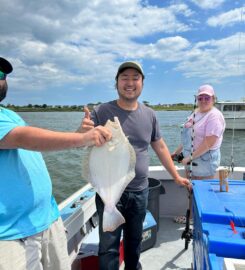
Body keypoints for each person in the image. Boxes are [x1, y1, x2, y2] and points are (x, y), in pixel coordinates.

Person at [0, 57, 112, 270]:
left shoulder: (9, 115)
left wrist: (78, 134)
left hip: (47, 220)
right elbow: (24, 138)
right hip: (10, 236)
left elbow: (33, 144)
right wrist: (83, 139)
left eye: (0, 75)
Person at [81, 61, 191, 270]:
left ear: (142, 83)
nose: (130, 83)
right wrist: (82, 131)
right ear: (116, 83)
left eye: (135, 78)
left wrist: (176, 176)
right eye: (125, 78)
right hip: (108, 192)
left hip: (140, 192)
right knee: (109, 247)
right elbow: (83, 141)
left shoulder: (149, 114)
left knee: (134, 243)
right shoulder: (101, 111)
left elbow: (159, 146)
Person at [172, 84, 225, 224]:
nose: (203, 100)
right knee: (191, 190)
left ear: (213, 98)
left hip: (204, 160)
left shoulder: (215, 116)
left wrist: (190, 157)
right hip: (190, 160)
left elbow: (209, 142)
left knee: (202, 192)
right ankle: (191, 217)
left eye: (207, 97)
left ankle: (201, 221)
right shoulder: (195, 113)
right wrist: (177, 152)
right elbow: (188, 137)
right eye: (200, 97)